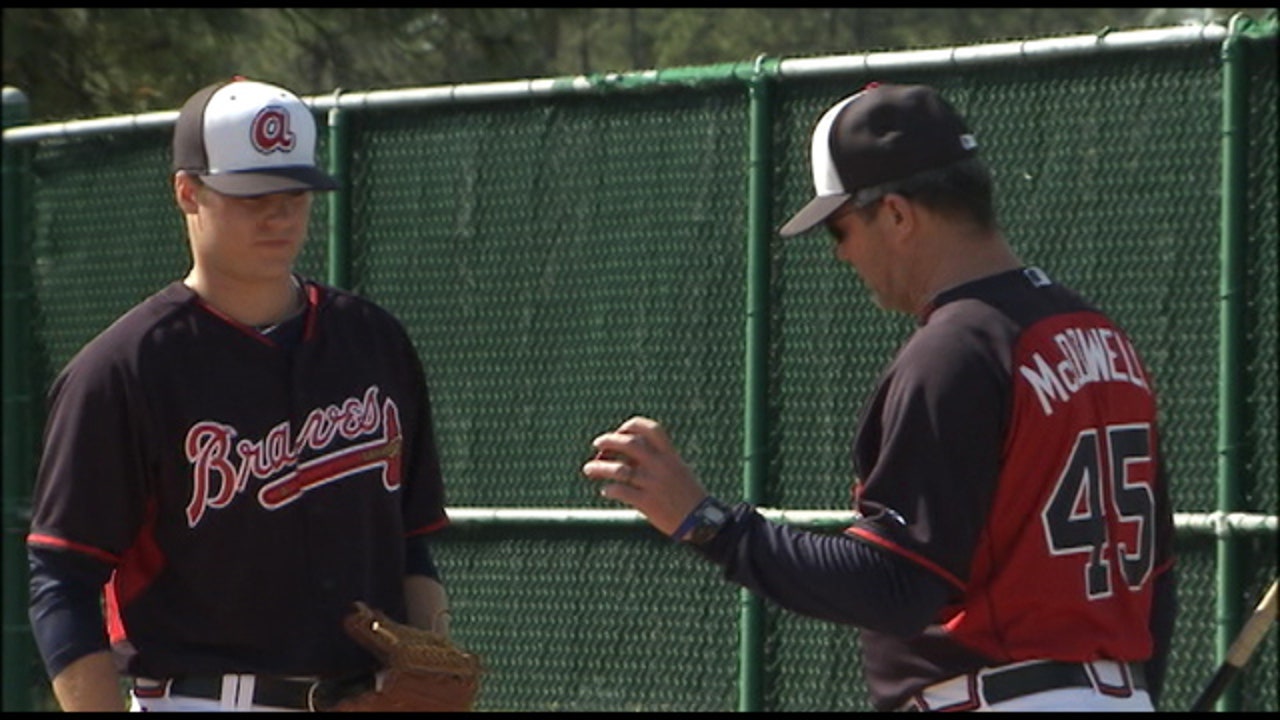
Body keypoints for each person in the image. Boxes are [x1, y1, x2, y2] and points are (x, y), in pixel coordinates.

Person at [581, 82, 1177, 712]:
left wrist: (708, 523)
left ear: (896, 214)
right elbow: (1156, 583)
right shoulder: (1099, 336)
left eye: (838, 228)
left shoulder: (956, 351)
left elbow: (898, 585)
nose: (841, 255)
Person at [26, 76, 454, 712]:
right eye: (251, 194)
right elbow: (61, 580)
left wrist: (428, 670)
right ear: (187, 192)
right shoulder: (124, 369)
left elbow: (410, 541)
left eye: (294, 192)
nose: (278, 213)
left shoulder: (373, 341)